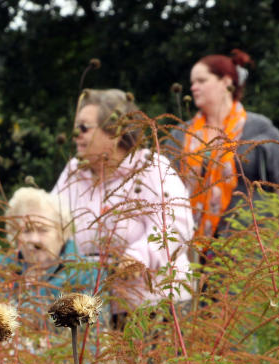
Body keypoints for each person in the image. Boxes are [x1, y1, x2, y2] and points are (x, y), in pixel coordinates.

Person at [52, 89, 194, 320]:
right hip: (91, 307)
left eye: (84, 128)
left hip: (157, 306)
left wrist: (137, 257)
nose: (76, 135)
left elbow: (176, 226)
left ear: (115, 133)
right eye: (76, 128)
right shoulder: (72, 173)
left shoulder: (152, 167)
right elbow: (51, 223)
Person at [179, 50, 279, 240]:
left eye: (201, 81)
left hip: (250, 247)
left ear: (226, 82)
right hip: (192, 251)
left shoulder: (259, 130)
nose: (194, 88)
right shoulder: (181, 134)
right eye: (192, 83)